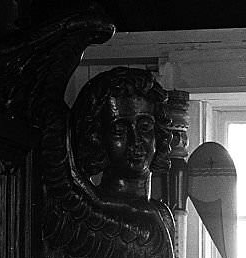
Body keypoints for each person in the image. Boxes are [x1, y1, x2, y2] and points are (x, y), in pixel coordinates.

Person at [70, 67, 173, 201]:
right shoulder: (92, 208)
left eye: (145, 127)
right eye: (119, 131)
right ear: (97, 137)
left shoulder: (159, 210)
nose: (135, 141)